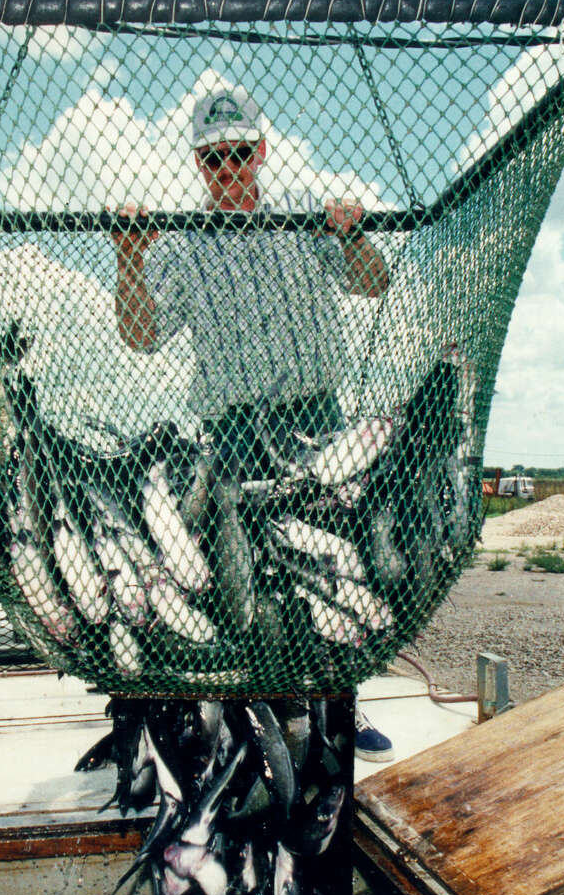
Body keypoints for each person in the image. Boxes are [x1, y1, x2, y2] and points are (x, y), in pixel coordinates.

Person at [111, 85, 395, 762]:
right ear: (197, 163)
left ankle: (339, 706)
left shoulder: (307, 214)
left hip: (317, 418)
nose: (230, 169)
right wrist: (128, 255)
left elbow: (372, 282)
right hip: (230, 430)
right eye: (215, 159)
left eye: (241, 152)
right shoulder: (179, 241)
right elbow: (142, 334)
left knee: (332, 560)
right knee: (248, 573)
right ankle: (255, 718)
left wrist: (353, 233)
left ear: (263, 150)